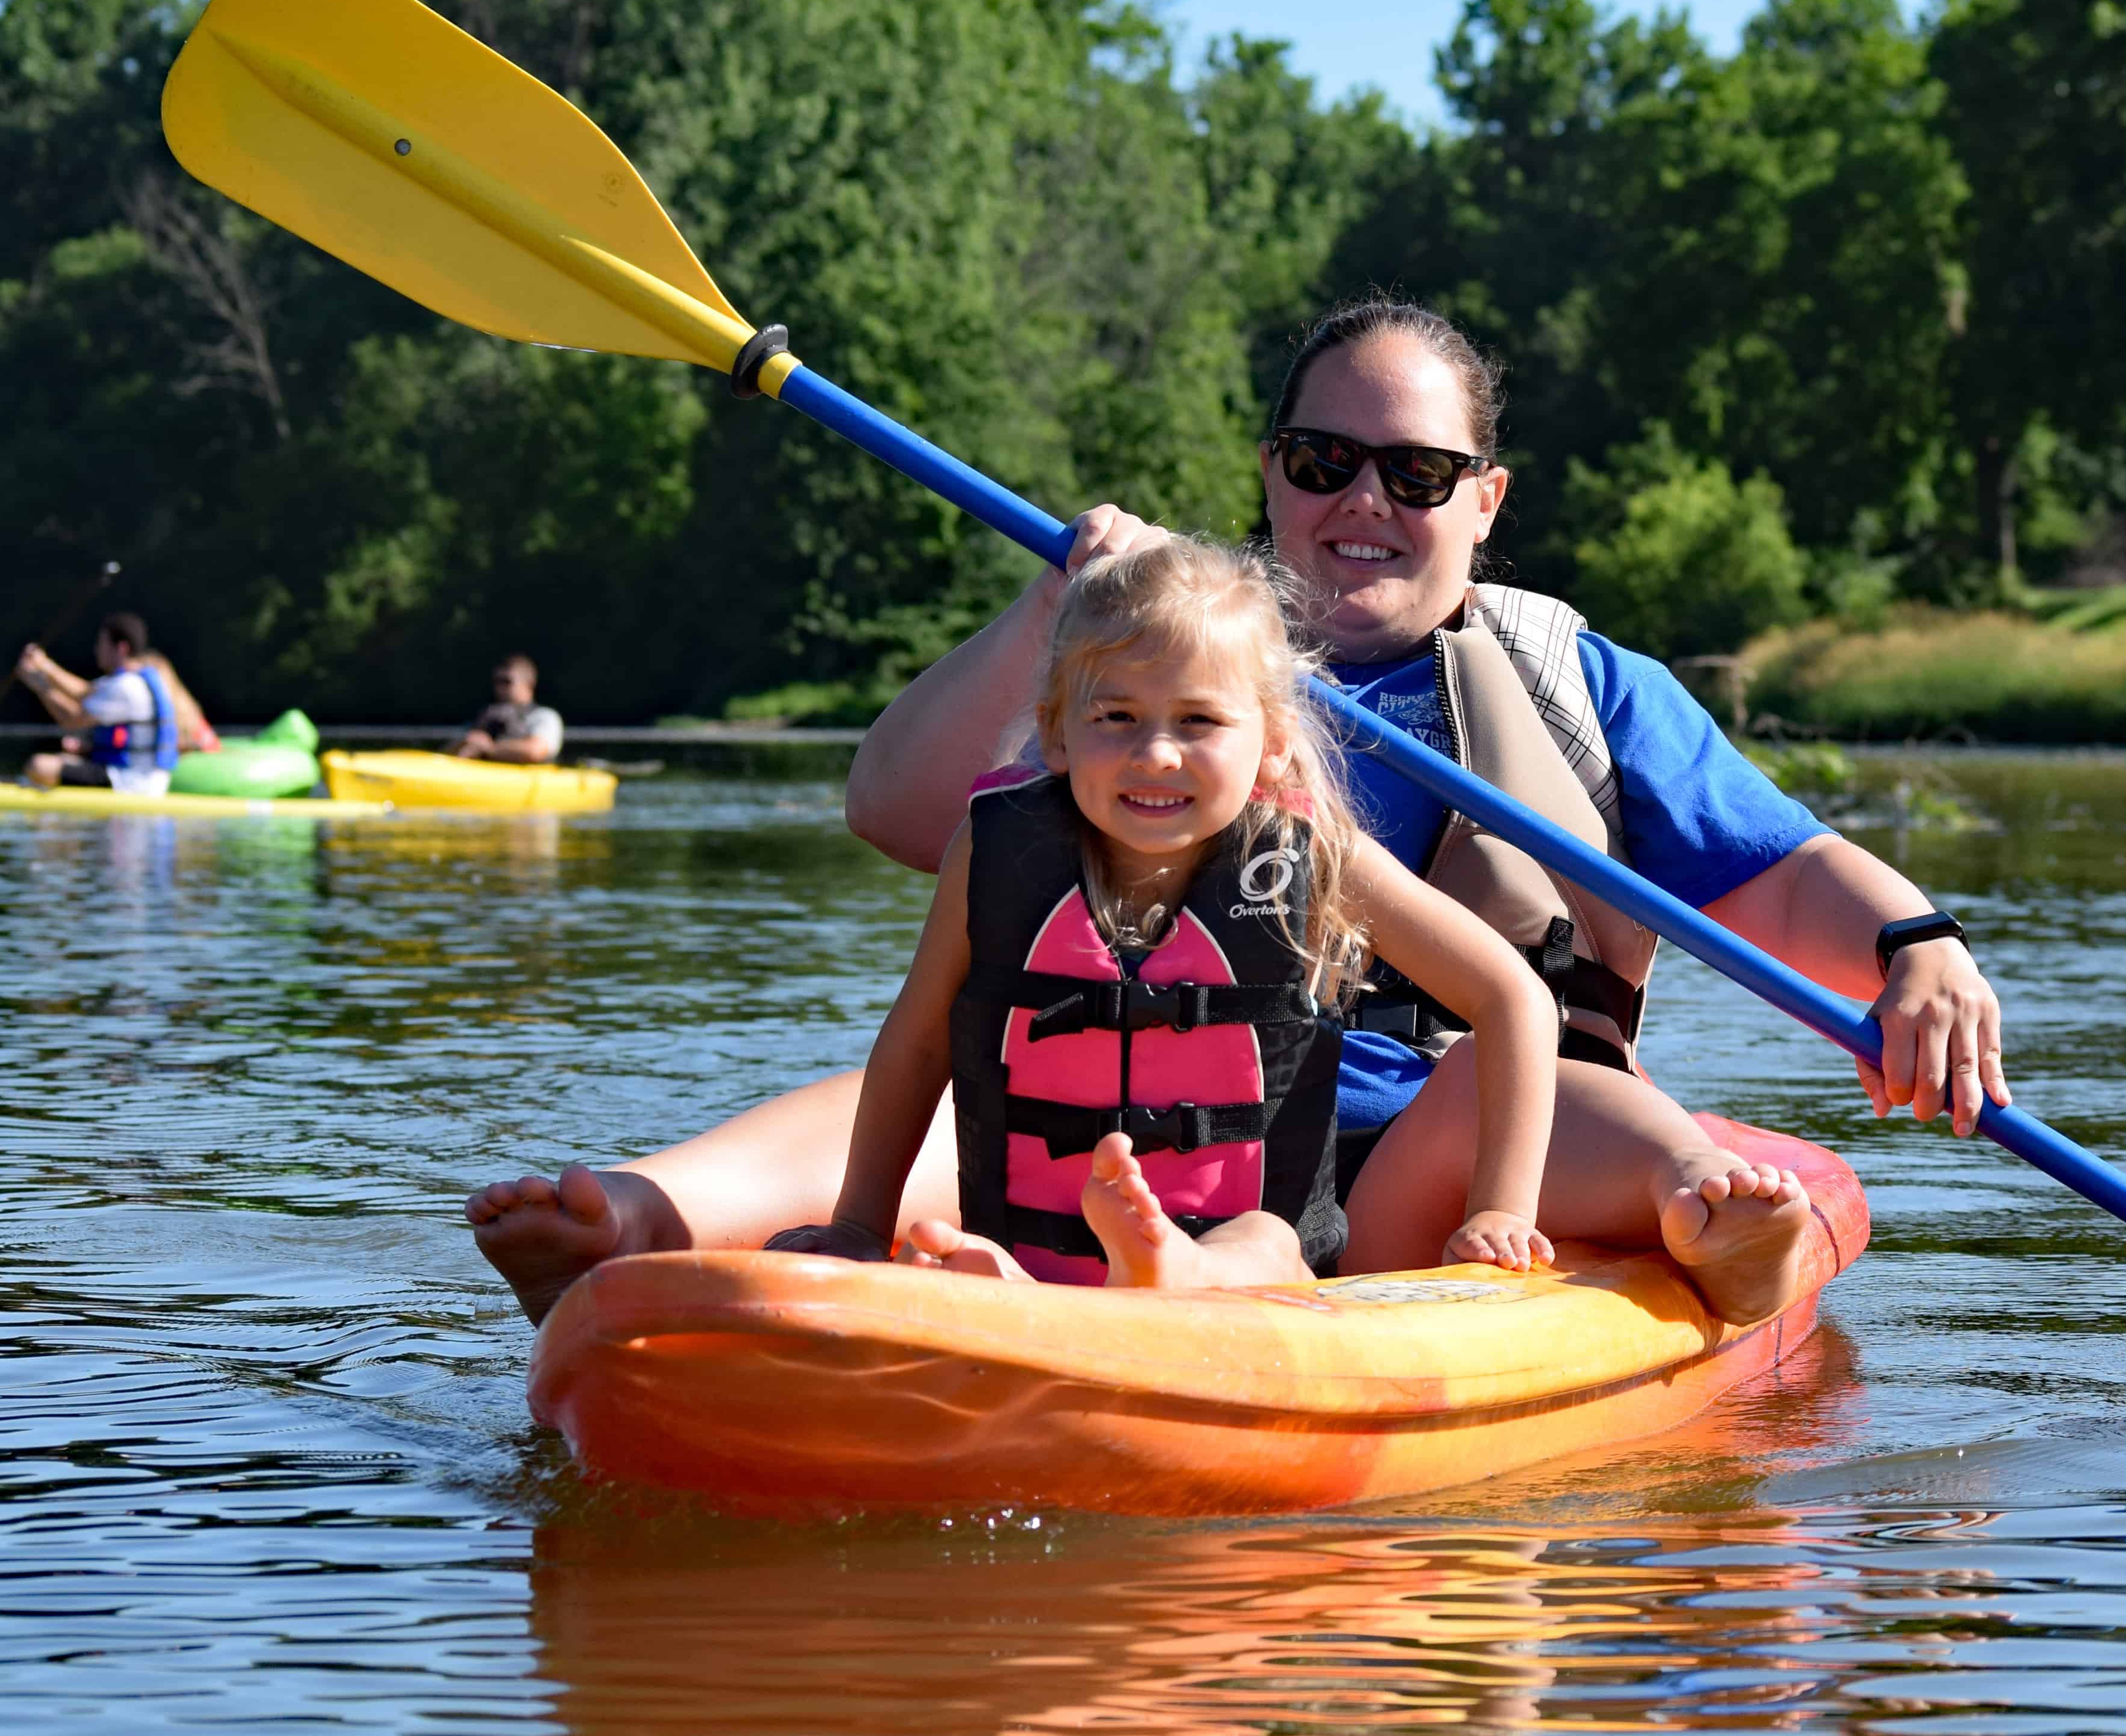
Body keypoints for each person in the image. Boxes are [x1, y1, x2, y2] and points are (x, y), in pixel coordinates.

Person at [467, 296, 2006, 1328]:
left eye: (1418, 471)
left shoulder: (1570, 678)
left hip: (1442, 1147)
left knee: (1517, 1083)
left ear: (1486, 497)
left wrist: (1917, 944)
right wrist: (1057, 601)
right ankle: (645, 1220)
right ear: (1271, 474)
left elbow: (1780, 871)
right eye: (1324, 460)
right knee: (961, 1089)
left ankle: (1711, 1224)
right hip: (1169, 1117)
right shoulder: (1151, 662)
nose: (1365, 503)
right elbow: (901, 809)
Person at [770, 536, 1557, 1289]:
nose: (1155, 753)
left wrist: (1500, 1209)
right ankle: (1020, 1281)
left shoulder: (1318, 858)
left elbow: (1512, 998)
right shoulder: (992, 849)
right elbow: (917, 1043)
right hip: (1037, 1253)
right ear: (1058, 733)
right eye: (1116, 718)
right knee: (980, 1242)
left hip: (1256, 1274)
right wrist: (860, 1227)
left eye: (1198, 721)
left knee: (1266, 1237)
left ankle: (1180, 1272)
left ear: (1274, 741)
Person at [14, 612, 183, 794]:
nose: (97, 649)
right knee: (61, 759)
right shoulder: (129, 680)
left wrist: (39, 685)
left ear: (121, 648)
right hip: (133, 776)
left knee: (38, 766)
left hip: (132, 783)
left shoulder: (127, 687)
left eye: (102, 644)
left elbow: (72, 719)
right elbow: (83, 691)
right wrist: (44, 666)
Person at [456, 655, 564, 763]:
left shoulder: (544, 716)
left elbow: (535, 751)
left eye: (507, 681)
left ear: (529, 684)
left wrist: (489, 748)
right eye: (497, 681)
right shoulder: (488, 715)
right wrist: (465, 743)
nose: (500, 688)